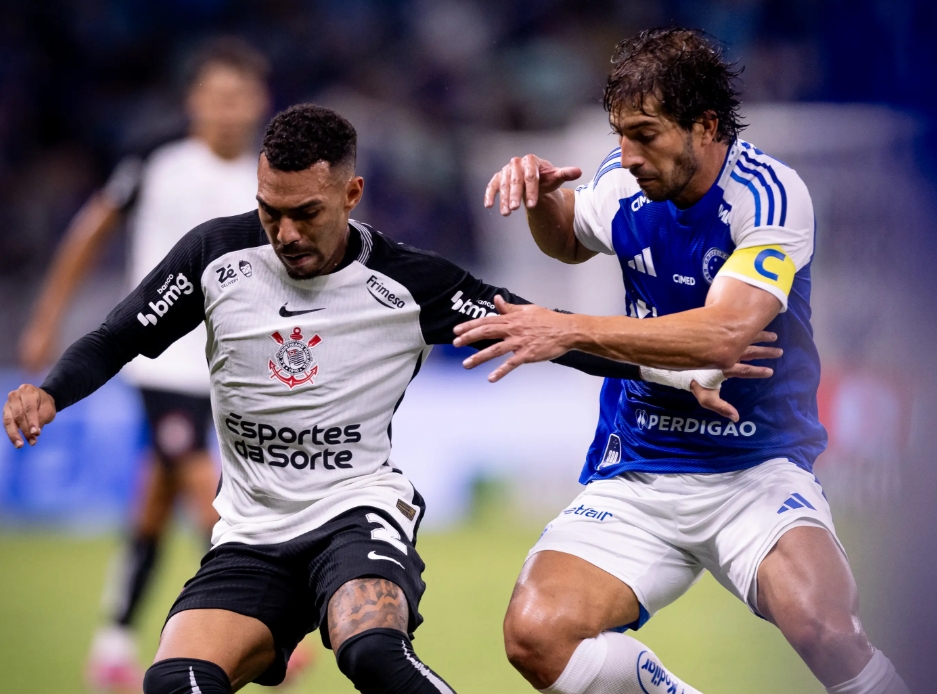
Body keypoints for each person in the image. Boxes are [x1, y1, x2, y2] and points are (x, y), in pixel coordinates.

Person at [3, 103, 775, 694]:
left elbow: (544, 331)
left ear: (351, 194)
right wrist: (50, 391)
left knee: (369, 650)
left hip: (356, 514)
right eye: (270, 211)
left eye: (305, 213)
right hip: (249, 534)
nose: (284, 233)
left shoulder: (408, 282)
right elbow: (119, 335)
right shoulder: (214, 255)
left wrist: (677, 373)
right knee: (174, 682)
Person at [461, 28, 910, 694]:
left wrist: (565, 329)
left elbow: (724, 335)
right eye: (620, 135)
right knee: (535, 635)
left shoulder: (767, 195)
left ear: (705, 125)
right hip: (640, 469)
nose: (627, 156)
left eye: (645, 135)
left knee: (829, 634)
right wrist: (543, 201)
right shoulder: (624, 182)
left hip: (753, 468)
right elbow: (570, 240)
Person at [16, 38, 275, 690]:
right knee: (205, 491)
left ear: (258, 102)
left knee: (154, 502)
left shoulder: (268, 177)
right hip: (161, 362)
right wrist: (48, 316)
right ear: (194, 100)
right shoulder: (157, 161)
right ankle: (261, 621)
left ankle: (110, 645)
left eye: (238, 97)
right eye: (215, 97)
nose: (226, 109)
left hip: (233, 368)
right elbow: (91, 229)